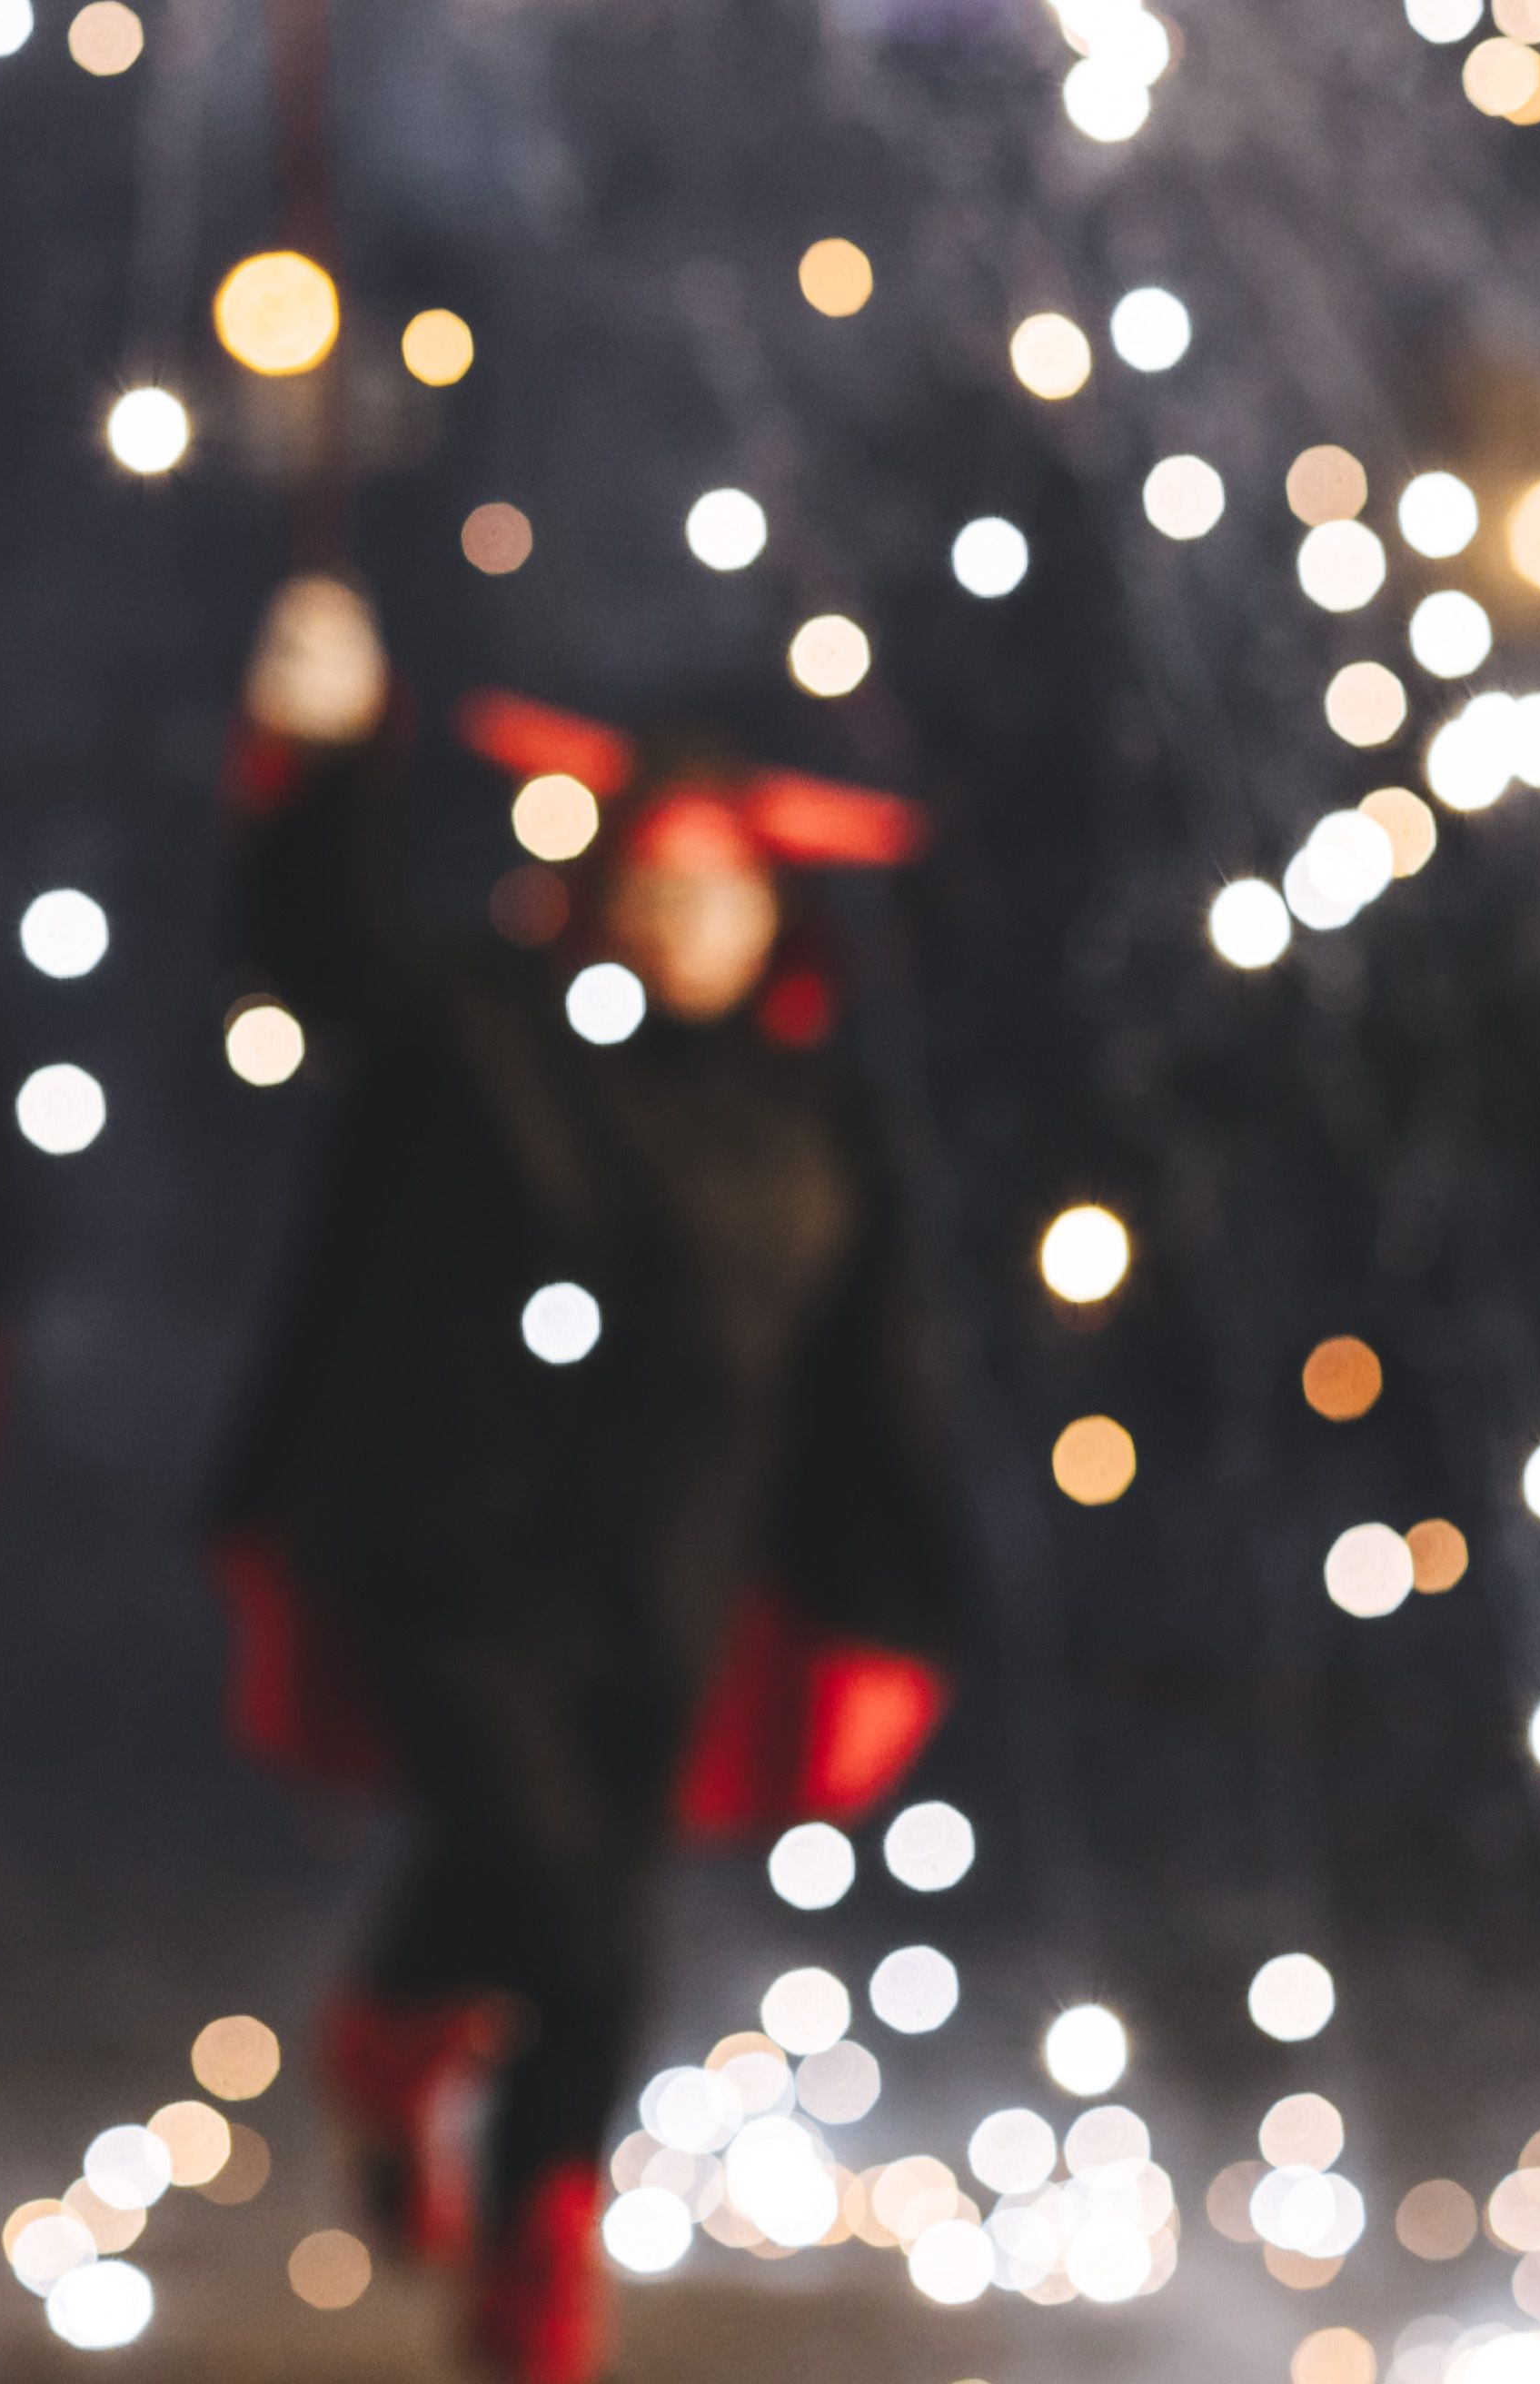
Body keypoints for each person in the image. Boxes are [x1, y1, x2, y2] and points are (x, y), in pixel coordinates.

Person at [210, 575, 958, 2384]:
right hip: (454, 1550)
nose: (682, 912)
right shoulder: (489, 1031)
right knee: (566, 1886)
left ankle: (440, 2091)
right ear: (597, 887)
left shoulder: (812, 1121)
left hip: (676, 1572)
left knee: (565, 1881)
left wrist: (884, 1607)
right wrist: (322, 753)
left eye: (717, 883)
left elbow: (868, 1386)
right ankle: (533, 2257)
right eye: (653, 876)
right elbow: (319, 952)